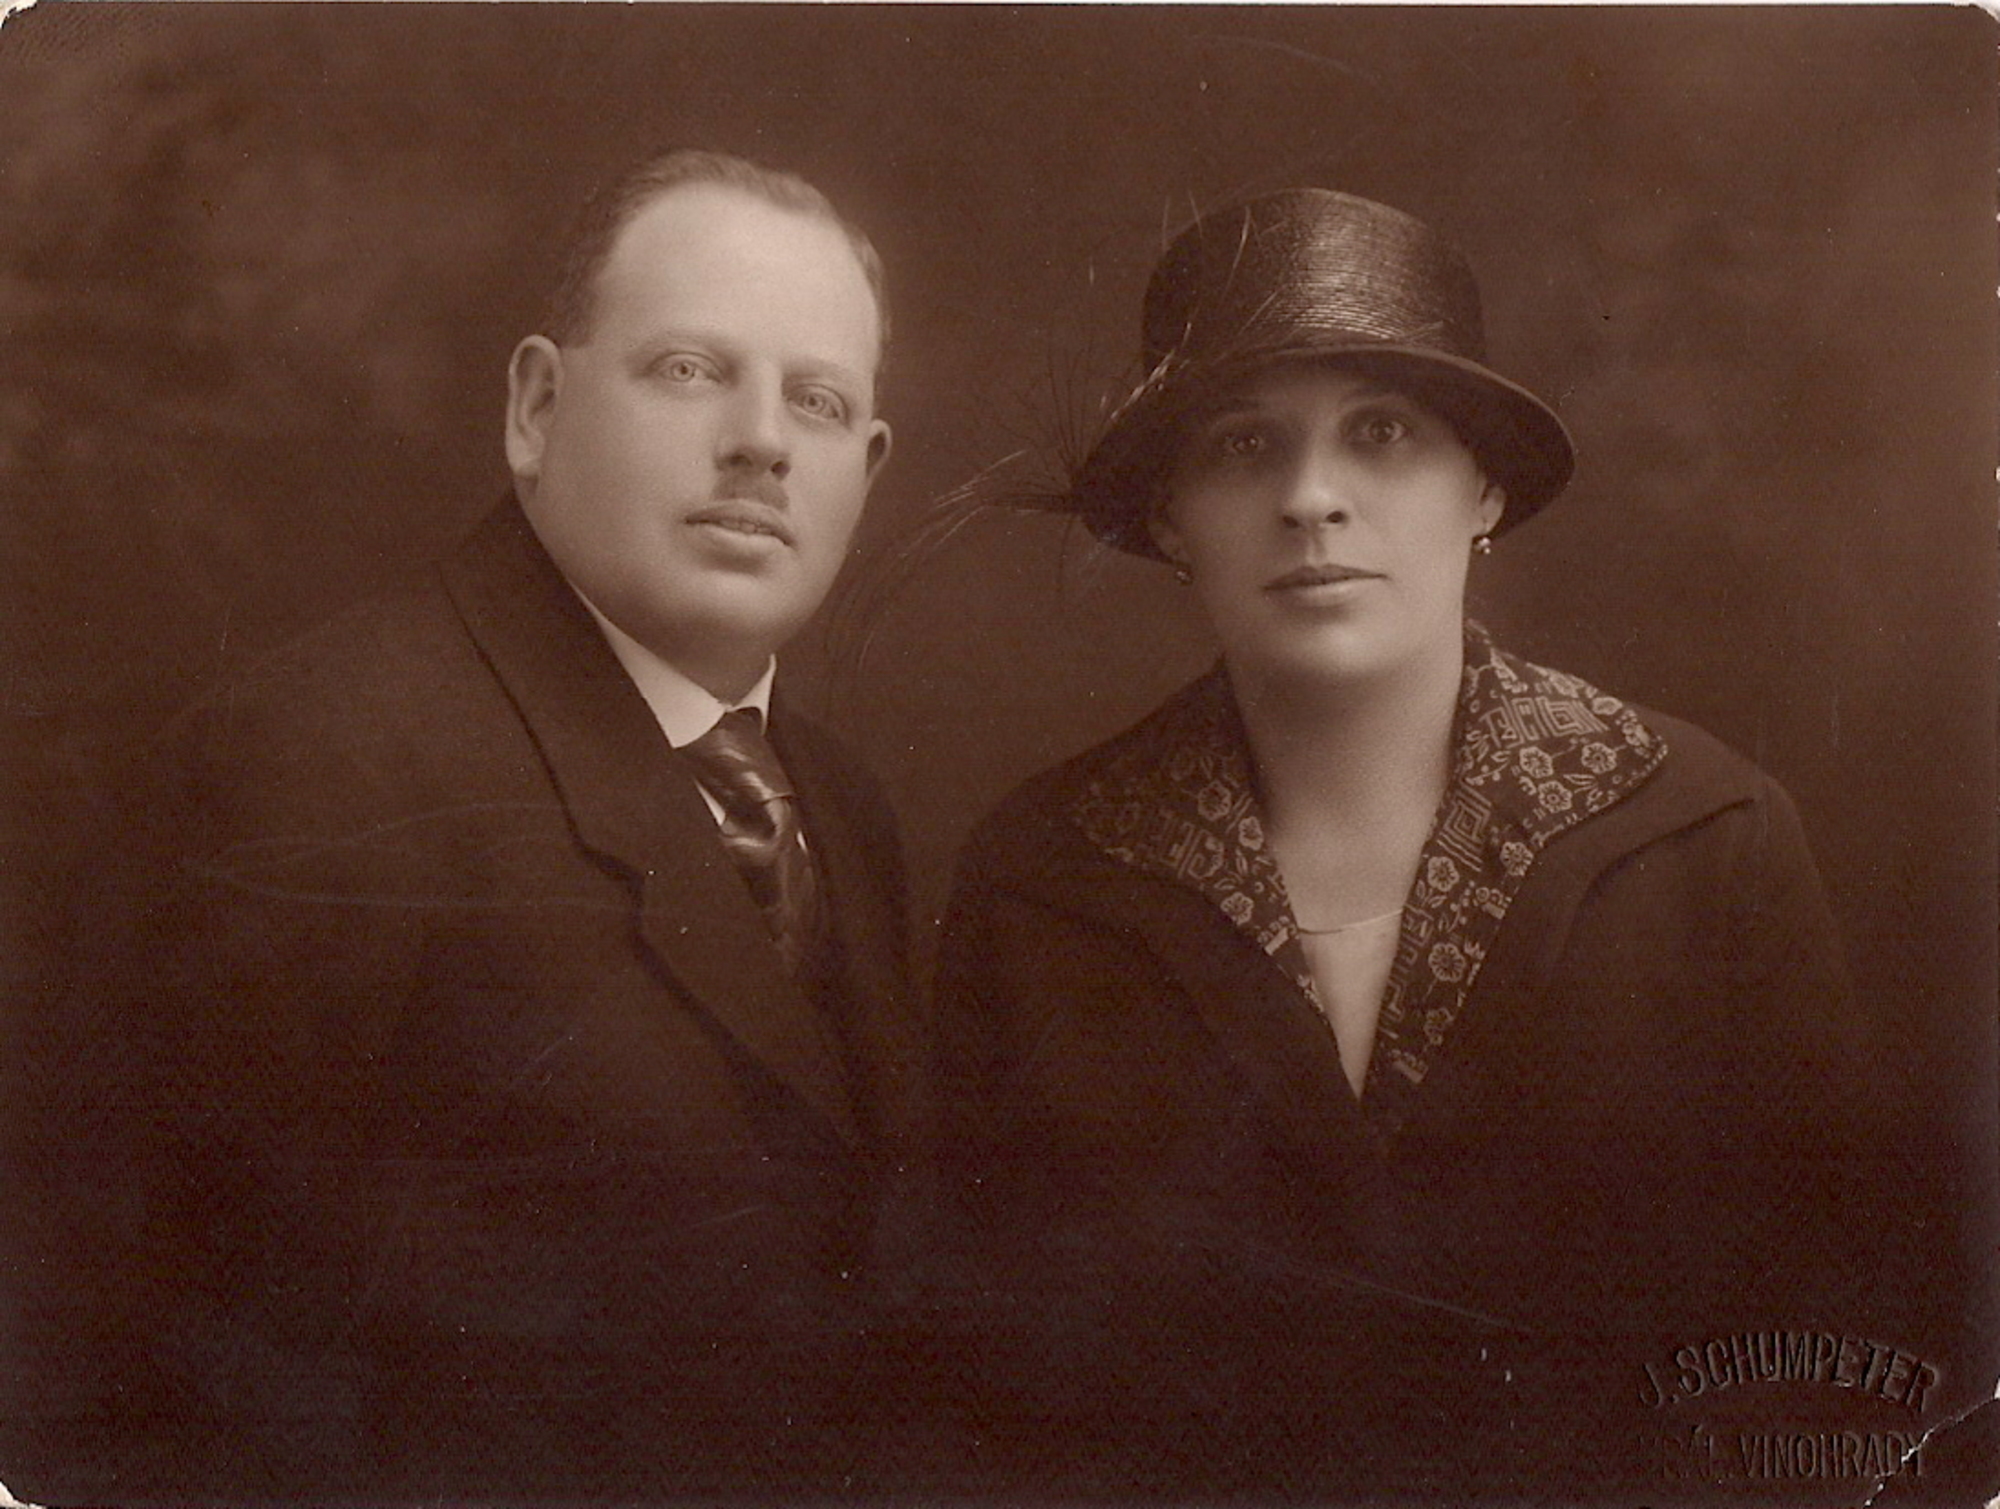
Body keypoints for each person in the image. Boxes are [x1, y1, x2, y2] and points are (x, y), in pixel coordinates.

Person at [926, 189, 1883, 1499]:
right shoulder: (1042, 882)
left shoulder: (1706, 840)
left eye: (1380, 433)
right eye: (1243, 447)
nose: (1311, 499)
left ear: (1483, 484)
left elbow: (1839, 1355)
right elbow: (983, 1399)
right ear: (1169, 519)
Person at [12, 149, 914, 1502]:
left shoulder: (838, 806)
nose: (762, 441)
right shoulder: (315, 769)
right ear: (538, 408)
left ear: (868, 465)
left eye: (820, 401)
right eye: (690, 369)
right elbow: (132, 1389)